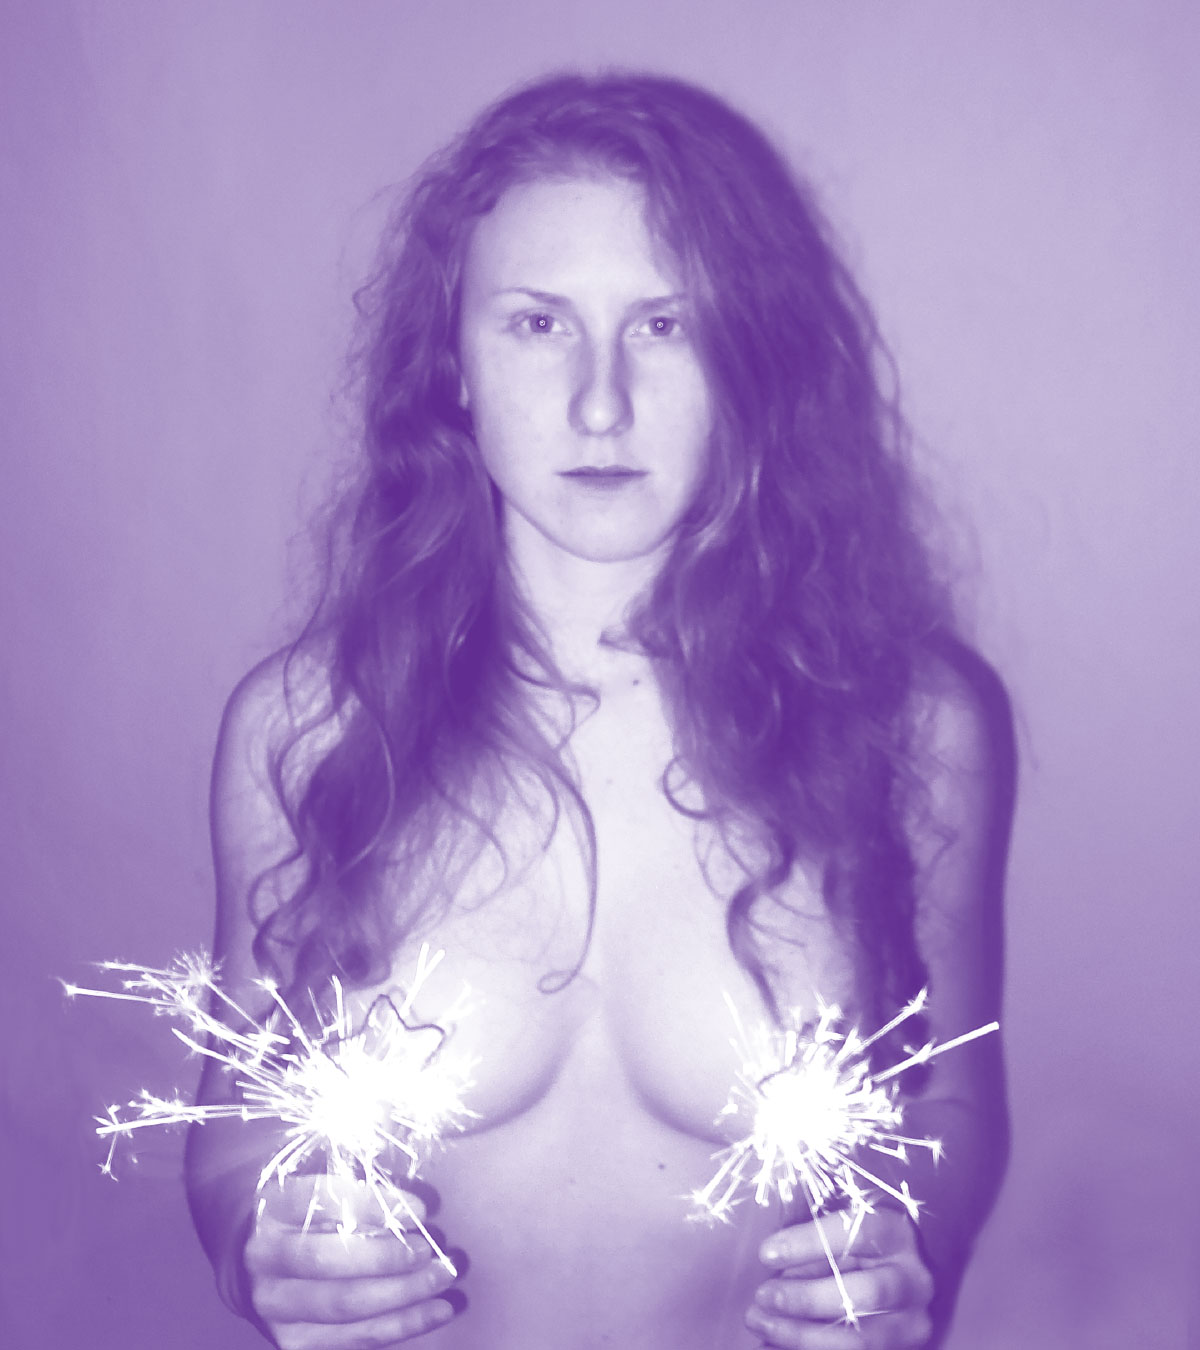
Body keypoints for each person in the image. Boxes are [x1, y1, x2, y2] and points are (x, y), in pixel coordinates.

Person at [185, 70, 1011, 1350]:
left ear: (747, 359)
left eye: (665, 325)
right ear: (453, 365)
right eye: (537, 323)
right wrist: (261, 1247)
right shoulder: (308, 726)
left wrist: (913, 1255)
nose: (601, 403)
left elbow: (950, 1097)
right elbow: (233, 1124)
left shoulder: (910, 727)